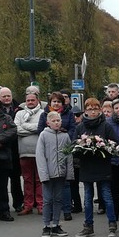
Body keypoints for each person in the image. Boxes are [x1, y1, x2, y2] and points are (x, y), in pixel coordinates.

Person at [74, 98, 118, 237]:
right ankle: (88, 226)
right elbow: (74, 147)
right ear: (85, 111)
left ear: (99, 110)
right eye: (89, 109)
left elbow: (114, 145)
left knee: (106, 196)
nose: (92, 112)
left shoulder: (106, 126)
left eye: (95, 109)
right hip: (87, 166)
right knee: (87, 197)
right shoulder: (80, 127)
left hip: (102, 166)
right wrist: (82, 146)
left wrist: (102, 146)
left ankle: (112, 224)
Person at [37, 91, 76, 221]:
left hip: (63, 158)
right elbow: (40, 131)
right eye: (54, 101)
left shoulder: (69, 114)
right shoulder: (44, 119)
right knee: (48, 197)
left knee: (62, 191)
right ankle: (47, 223)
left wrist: (65, 139)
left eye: (59, 101)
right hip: (49, 162)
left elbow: (72, 129)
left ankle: (63, 214)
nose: (57, 122)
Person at [35, 111, 74, 237]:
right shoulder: (43, 135)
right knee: (47, 200)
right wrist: (43, 174)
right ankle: (46, 225)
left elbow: (69, 156)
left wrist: (69, 173)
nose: (57, 123)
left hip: (60, 173)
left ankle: (56, 224)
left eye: (58, 120)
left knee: (58, 199)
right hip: (48, 173)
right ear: (48, 123)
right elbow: (40, 156)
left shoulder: (65, 136)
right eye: (54, 121)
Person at [14, 92, 44, 215]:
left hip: (40, 153)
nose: (30, 102)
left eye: (33, 100)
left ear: (38, 101)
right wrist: (33, 129)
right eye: (28, 100)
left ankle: (41, 205)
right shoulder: (20, 113)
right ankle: (28, 205)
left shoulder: (43, 113)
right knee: (27, 180)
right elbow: (16, 129)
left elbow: (41, 128)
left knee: (40, 180)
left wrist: (25, 126)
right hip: (24, 153)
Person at [0, 87, 24, 212]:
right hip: (0, 148)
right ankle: (0, 205)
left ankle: (18, 203)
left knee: (16, 179)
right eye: (4, 96)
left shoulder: (20, 109)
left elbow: (19, 128)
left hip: (15, 148)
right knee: (0, 180)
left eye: (8, 95)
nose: (7, 98)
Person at [70, 106, 83, 213]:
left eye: (78, 115)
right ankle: (77, 205)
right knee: (73, 184)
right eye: (73, 115)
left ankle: (102, 205)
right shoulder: (71, 127)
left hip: (85, 159)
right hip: (74, 159)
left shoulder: (84, 126)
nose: (75, 117)